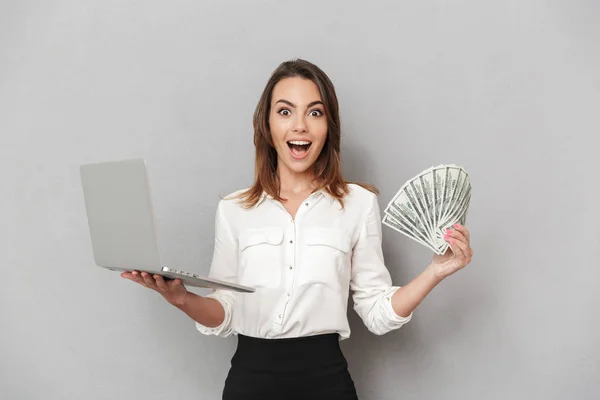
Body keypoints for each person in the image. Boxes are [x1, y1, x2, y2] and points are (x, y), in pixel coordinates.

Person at [121, 58, 474, 400]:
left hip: (326, 382)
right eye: (285, 111)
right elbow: (224, 312)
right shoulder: (233, 209)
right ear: (267, 126)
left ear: (328, 127)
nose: (300, 125)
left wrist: (436, 271)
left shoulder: (357, 204)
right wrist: (182, 299)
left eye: (315, 112)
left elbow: (378, 313)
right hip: (250, 381)